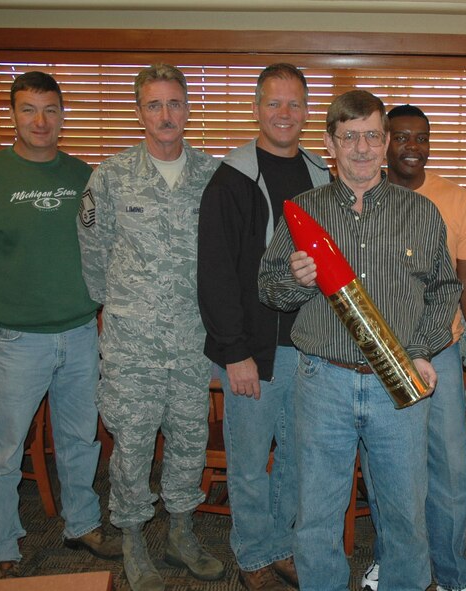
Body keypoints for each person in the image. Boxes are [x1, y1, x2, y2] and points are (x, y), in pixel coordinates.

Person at [259, 90, 461, 591]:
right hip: (322, 381)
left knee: (404, 516)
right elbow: (269, 289)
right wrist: (295, 278)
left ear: (386, 141)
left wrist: (421, 351)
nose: (363, 148)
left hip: (399, 381)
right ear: (331, 143)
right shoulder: (301, 213)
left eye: (373, 135)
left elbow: (444, 291)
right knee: (317, 515)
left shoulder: (422, 212)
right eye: (350, 137)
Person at [0, 71, 121, 580]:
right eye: (29, 109)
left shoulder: (83, 176)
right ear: (12, 114)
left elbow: (102, 248)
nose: (40, 120)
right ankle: (0, 545)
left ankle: (82, 524)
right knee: (4, 449)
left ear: (62, 115)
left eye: (50, 109)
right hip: (14, 341)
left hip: (78, 333)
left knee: (81, 439)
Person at [77, 64, 224, 591]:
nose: (166, 115)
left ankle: (182, 533)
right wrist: (121, 306)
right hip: (131, 343)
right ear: (139, 112)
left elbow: (226, 254)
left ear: (188, 109)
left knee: (189, 438)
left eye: (175, 103)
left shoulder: (212, 175)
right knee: (133, 442)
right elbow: (93, 255)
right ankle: (134, 539)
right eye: (154, 105)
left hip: (191, 339)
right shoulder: (110, 177)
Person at [198, 63, 329, 591]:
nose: (284, 114)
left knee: (299, 460)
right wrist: (235, 352)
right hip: (253, 350)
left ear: (306, 111)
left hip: (311, 349)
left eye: (294, 104)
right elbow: (216, 274)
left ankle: (283, 545)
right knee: (250, 462)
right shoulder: (230, 179)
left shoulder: (323, 175)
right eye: (273, 103)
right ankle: (253, 554)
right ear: (256, 109)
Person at [359, 104, 466, 591]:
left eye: (422, 138)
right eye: (402, 137)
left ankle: (453, 572)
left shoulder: (455, 200)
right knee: (389, 470)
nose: (412, 147)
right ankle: (392, 564)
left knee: (452, 468)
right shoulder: (365, 197)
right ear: (386, 142)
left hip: (442, 351)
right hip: (383, 357)